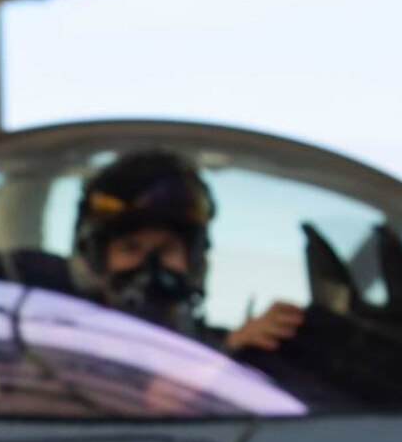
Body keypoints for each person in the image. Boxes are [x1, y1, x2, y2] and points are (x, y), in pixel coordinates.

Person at [70, 149, 303, 354]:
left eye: (166, 249)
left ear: (194, 261)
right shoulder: (59, 344)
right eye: (131, 248)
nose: (150, 267)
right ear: (96, 259)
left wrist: (237, 349)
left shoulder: (227, 346)